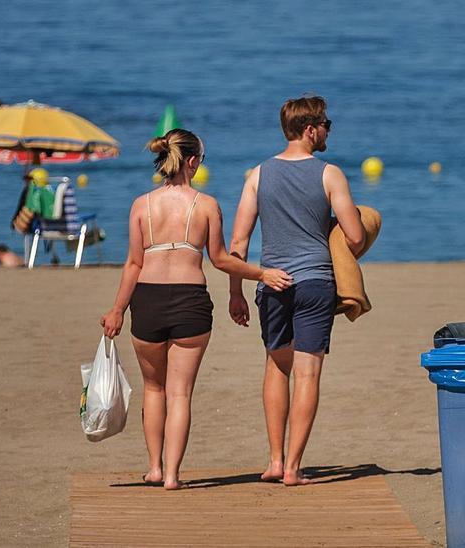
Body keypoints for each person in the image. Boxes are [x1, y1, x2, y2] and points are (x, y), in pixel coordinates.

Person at [99, 129, 292, 491]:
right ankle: (172, 476)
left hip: (148, 299)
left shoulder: (142, 204)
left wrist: (117, 310)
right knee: (180, 393)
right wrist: (262, 273)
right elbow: (220, 260)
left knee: (153, 389)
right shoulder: (206, 205)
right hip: (190, 301)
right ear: (191, 162)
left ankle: (154, 468)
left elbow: (132, 264)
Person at [227, 95, 365, 486]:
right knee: (307, 375)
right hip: (315, 284)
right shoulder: (329, 174)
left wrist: (237, 290)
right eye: (326, 124)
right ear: (310, 130)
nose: (327, 130)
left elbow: (238, 243)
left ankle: (274, 461)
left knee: (276, 367)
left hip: (272, 283)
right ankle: (293, 469)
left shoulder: (257, 174)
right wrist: (335, 228)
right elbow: (354, 237)